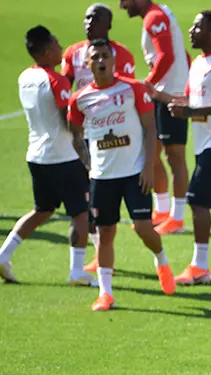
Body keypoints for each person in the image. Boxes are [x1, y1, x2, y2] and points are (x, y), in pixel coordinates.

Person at [67, 39, 176, 310]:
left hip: (134, 173)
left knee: (142, 227)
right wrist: (90, 166)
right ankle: (106, 293)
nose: (101, 61)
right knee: (105, 233)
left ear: (113, 60)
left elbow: (151, 129)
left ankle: (161, 260)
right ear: (88, 64)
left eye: (105, 56)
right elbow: (75, 135)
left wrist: (149, 167)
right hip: (103, 177)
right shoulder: (80, 99)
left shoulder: (133, 89)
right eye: (96, 57)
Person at [148, 10, 211, 285]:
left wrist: (189, 113)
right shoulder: (197, 64)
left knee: (196, 200)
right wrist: (159, 96)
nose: (191, 31)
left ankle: (199, 266)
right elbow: (191, 100)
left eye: (198, 26)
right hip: (207, 143)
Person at [1, 26, 94, 286]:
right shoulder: (56, 80)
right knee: (80, 213)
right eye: (55, 44)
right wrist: (85, 158)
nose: (60, 48)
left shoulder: (24, 77)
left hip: (36, 155)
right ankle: (77, 272)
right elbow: (70, 123)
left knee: (42, 210)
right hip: (62, 156)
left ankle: (3, 254)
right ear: (45, 51)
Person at [62, 4, 138, 274]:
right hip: (84, 134)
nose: (89, 22)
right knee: (90, 200)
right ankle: (99, 256)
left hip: (115, 138)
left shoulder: (123, 54)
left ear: (109, 24)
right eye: (86, 17)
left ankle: (102, 255)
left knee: (106, 204)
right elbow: (64, 87)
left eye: (96, 18)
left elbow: (127, 94)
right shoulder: (72, 52)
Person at [120, 0, 190, 234]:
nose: (122, 5)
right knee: (154, 150)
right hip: (164, 93)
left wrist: (148, 83)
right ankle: (161, 210)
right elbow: (181, 54)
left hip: (169, 94)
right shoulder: (159, 13)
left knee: (175, 157)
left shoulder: (154, 17)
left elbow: (167, 55)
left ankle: (177, 218)